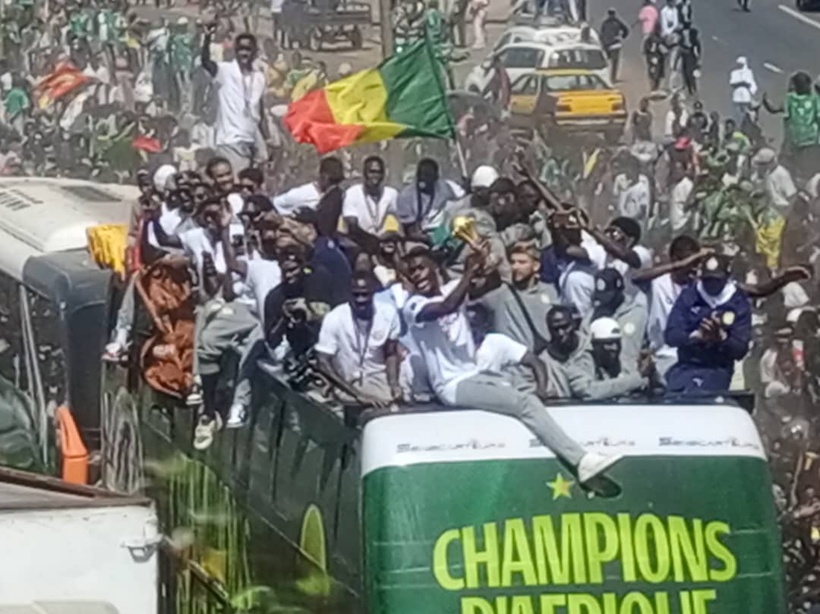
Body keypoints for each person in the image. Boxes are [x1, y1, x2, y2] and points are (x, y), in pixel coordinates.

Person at [401, 246, 620, 484]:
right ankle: (581, 462)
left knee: (523, 392)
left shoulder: (452, 288)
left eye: (421, 268)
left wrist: (483, 261)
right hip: (452, 385)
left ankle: (572, 454)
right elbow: (446, 307)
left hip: (475, 373)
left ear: (435, 268)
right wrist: (468, 273)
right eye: (412, 271)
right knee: (524, 402)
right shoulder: (412, 306)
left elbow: (492, 284)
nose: (417, 275)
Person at [664, 254, 753, 394]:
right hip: (687, 365)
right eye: (708, 280)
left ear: (726, 278)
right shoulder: (689, 296)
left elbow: (740, 349)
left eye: (716, 281)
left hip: (717, 368)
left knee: (702, 396)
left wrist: (721, 338)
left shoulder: (738, 302)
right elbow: (671, 335)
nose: (711, 285)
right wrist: (696, 336)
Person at [315, 272, 403, 407]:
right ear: (348, 294)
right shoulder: (334, 317)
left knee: (398, 400)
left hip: (378, 377)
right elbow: (323, 361)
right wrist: (358, 395)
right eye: (355, 294)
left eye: (365, 294)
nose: (360, 299)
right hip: (346, 382)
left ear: (373, 293)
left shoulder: (388, 313)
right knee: (374, 405)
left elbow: (390, 353)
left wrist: (394, 384)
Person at [201, 29, 269, 172]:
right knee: (238, 181)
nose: (244, 53)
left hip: (253, 138)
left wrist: (266, 138)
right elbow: (206, 62)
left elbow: (259, 110)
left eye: (248, 49)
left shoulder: (259, 77)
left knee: (258, 181)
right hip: (231, 139)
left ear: (255, 52)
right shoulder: (225, 71)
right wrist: (207, 37)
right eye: (240, 49)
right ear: (235, 51)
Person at [589, 268, 648, 374]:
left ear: (619, 290)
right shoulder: (592, 316)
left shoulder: (639, 313)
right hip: (604, 379)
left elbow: (650, 345)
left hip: (632, 376)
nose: (604, 299)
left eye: (608, 294)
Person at [342, 156, 399, 236]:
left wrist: (393, 234)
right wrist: (371, 240)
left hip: (381, 240)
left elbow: (402, 220)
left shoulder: (391, 193)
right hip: (356, 241)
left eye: (379, 172)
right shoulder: (352, 193)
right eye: (372, 172)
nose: (375, 175)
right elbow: (352, 227)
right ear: (364, 173)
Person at [599, 8, 629, 83]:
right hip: (615, 44)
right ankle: (613, 78)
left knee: (606, 62)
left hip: (606, 45)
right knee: (615, 63)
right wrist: (622, 37)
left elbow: (601, 34)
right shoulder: (617, 22)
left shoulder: (605, 23)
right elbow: (626, 30)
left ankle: (605, 78)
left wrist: (602, 44)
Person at [730, 57, 757, 124]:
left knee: (745, 109)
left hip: (745, 93)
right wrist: (741, 82)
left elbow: (751, 82)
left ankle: (748, 121)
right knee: (737, 111)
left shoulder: (748, 72)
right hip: (737, 93)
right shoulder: (734, 73)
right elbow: (732, 82)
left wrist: (752, 91)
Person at [678, 25, 701, 97]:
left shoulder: (694, 41)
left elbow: (697, 51)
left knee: (690, 74)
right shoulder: (681, 36)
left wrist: (698, 60)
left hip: (691, 57)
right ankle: (690, 88)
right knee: (685, 73)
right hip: (686, 57)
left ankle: (693, 89)